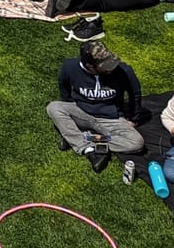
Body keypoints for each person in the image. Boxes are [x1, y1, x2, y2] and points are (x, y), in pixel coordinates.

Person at [46, 40, 143, 174]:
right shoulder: (70, 66)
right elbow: (63, 84)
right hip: (81, 111)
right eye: (105, 66)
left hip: (111, 119)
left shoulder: (124, 70)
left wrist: (134, 118)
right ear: (90, 66)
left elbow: (135, 94)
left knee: (137, 143)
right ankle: (86, 148)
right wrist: (69, 102)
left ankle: (83, 137)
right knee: (53, 107)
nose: (111, 68)